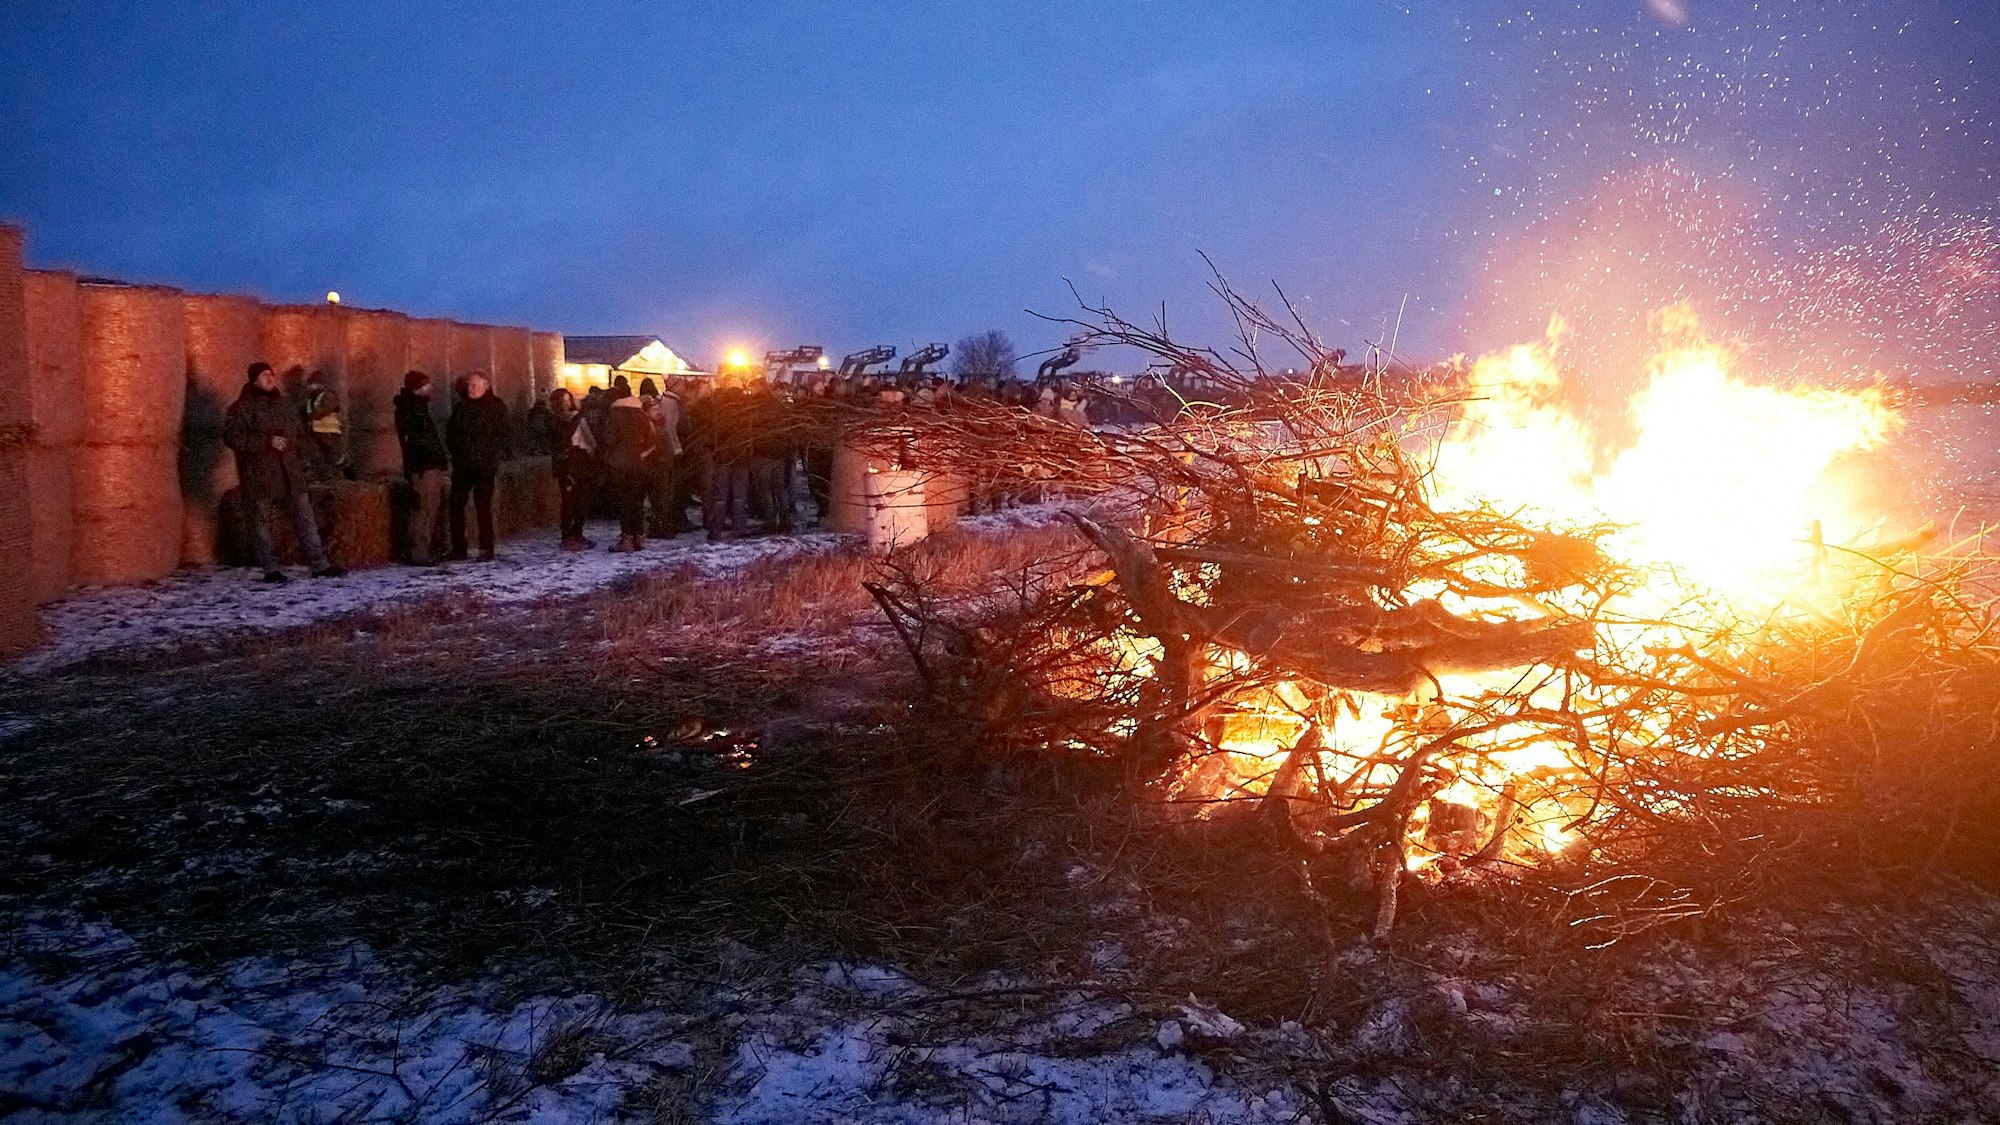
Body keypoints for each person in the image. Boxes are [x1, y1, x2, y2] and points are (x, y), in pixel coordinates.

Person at [224, 362, 344, 582]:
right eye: (264, 375)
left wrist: (308, 458)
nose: (270, 378)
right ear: (254, 380)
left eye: (271, 374)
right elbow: (233, 437)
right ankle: (271, 570)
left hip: (290, 472)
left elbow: (300, 435)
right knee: (261, 524)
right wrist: (266, 442)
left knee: (306, 519)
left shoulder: (284, 404)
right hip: (260, 473)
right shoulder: (241, 408)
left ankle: (320, 565)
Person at [445, 370, 510, 561]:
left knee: (483, 507)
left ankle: (486, 547)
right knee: (456, 506)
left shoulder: (496, 407)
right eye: (469, 385)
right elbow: (451, 432)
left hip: (484, 466)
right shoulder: (461, 407)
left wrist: (490, 455)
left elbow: (502, 435)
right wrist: (457, 453)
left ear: (485, 386)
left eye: (475, 385)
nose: (471, 388)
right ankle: (459, 548)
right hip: (462, 465)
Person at [393, 370, 449, 565]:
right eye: (425, 384)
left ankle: (418, 550)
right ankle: (418, 552)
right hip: (423, 466)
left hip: (426, 464)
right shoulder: (411, 410)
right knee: (423, 509)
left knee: (427, 508)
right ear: (416, 388)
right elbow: (416, 440)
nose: (430, 387)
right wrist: (431, 456)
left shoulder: (418, 408)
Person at [601, 384, 656, 552]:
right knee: (637, 501)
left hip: (620, 464)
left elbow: (608, 440)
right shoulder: (641, 415)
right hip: (639, 464)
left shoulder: (614, 415)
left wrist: (609, 457)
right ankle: (638, 537)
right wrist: (642, 454)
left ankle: (626, 539)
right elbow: (652, 438)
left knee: (624, 502)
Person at [549, 388, 596, 551]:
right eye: (563, 401)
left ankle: (577, 533)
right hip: (567, 463)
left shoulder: (577, 418)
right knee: (569, 501)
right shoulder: (556, 421)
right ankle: (568, 535)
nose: (567, 403)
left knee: (580, 500)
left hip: (579, 461)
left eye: (568, 400)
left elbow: (589, 440)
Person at [639, 377, 685, 537]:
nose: (658, 411)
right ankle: (659, 526)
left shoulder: (660, 423)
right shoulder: (647, 427)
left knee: (665, 496)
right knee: (658, 497)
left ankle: (662, 525)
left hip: (664, 463)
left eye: (658, 408)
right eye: (654, 410)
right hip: (655, 465)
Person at [302, 369, 348, 478]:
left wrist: (308, 418)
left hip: (330, 434)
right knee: (320, 457)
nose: (312, 386)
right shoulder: (310, 399)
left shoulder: (328, 396)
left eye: (314, 383)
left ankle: (347, 475)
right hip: (316, 433)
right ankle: (327, 477)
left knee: (335, 458)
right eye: (311, 384)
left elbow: (321, 411)